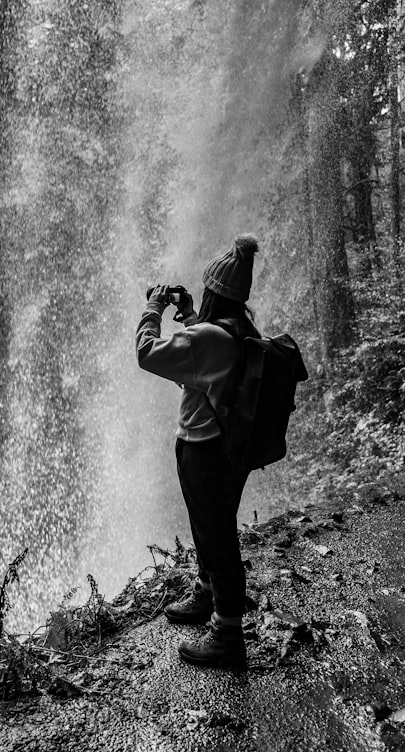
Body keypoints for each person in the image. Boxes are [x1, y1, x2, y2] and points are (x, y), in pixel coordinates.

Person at [135, 234, 261, 669]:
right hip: (229, 449)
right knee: (212, 524)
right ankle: (208, 593)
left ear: (213, 293)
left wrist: (153, 309)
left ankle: (228, 636)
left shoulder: (209, 337)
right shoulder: (239, 331)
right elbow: (205, 349)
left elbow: (147, 353)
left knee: (217, 535)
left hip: (203, 449)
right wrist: (188, 314)